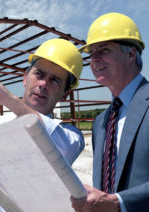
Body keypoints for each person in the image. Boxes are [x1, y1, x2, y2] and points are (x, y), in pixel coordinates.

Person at [0, 38, 85, 212]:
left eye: (55, 80)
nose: (43, 84)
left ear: (65, 95)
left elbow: (43, 132)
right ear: (25, 78)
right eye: (39, 74)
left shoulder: (70, 137)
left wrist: (8, 100)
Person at [70, 13, 149, 212]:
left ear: (131, 54)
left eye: (103, 50)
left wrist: (119, 203)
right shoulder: (101, 122)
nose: (94, 60)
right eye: (91, 54)